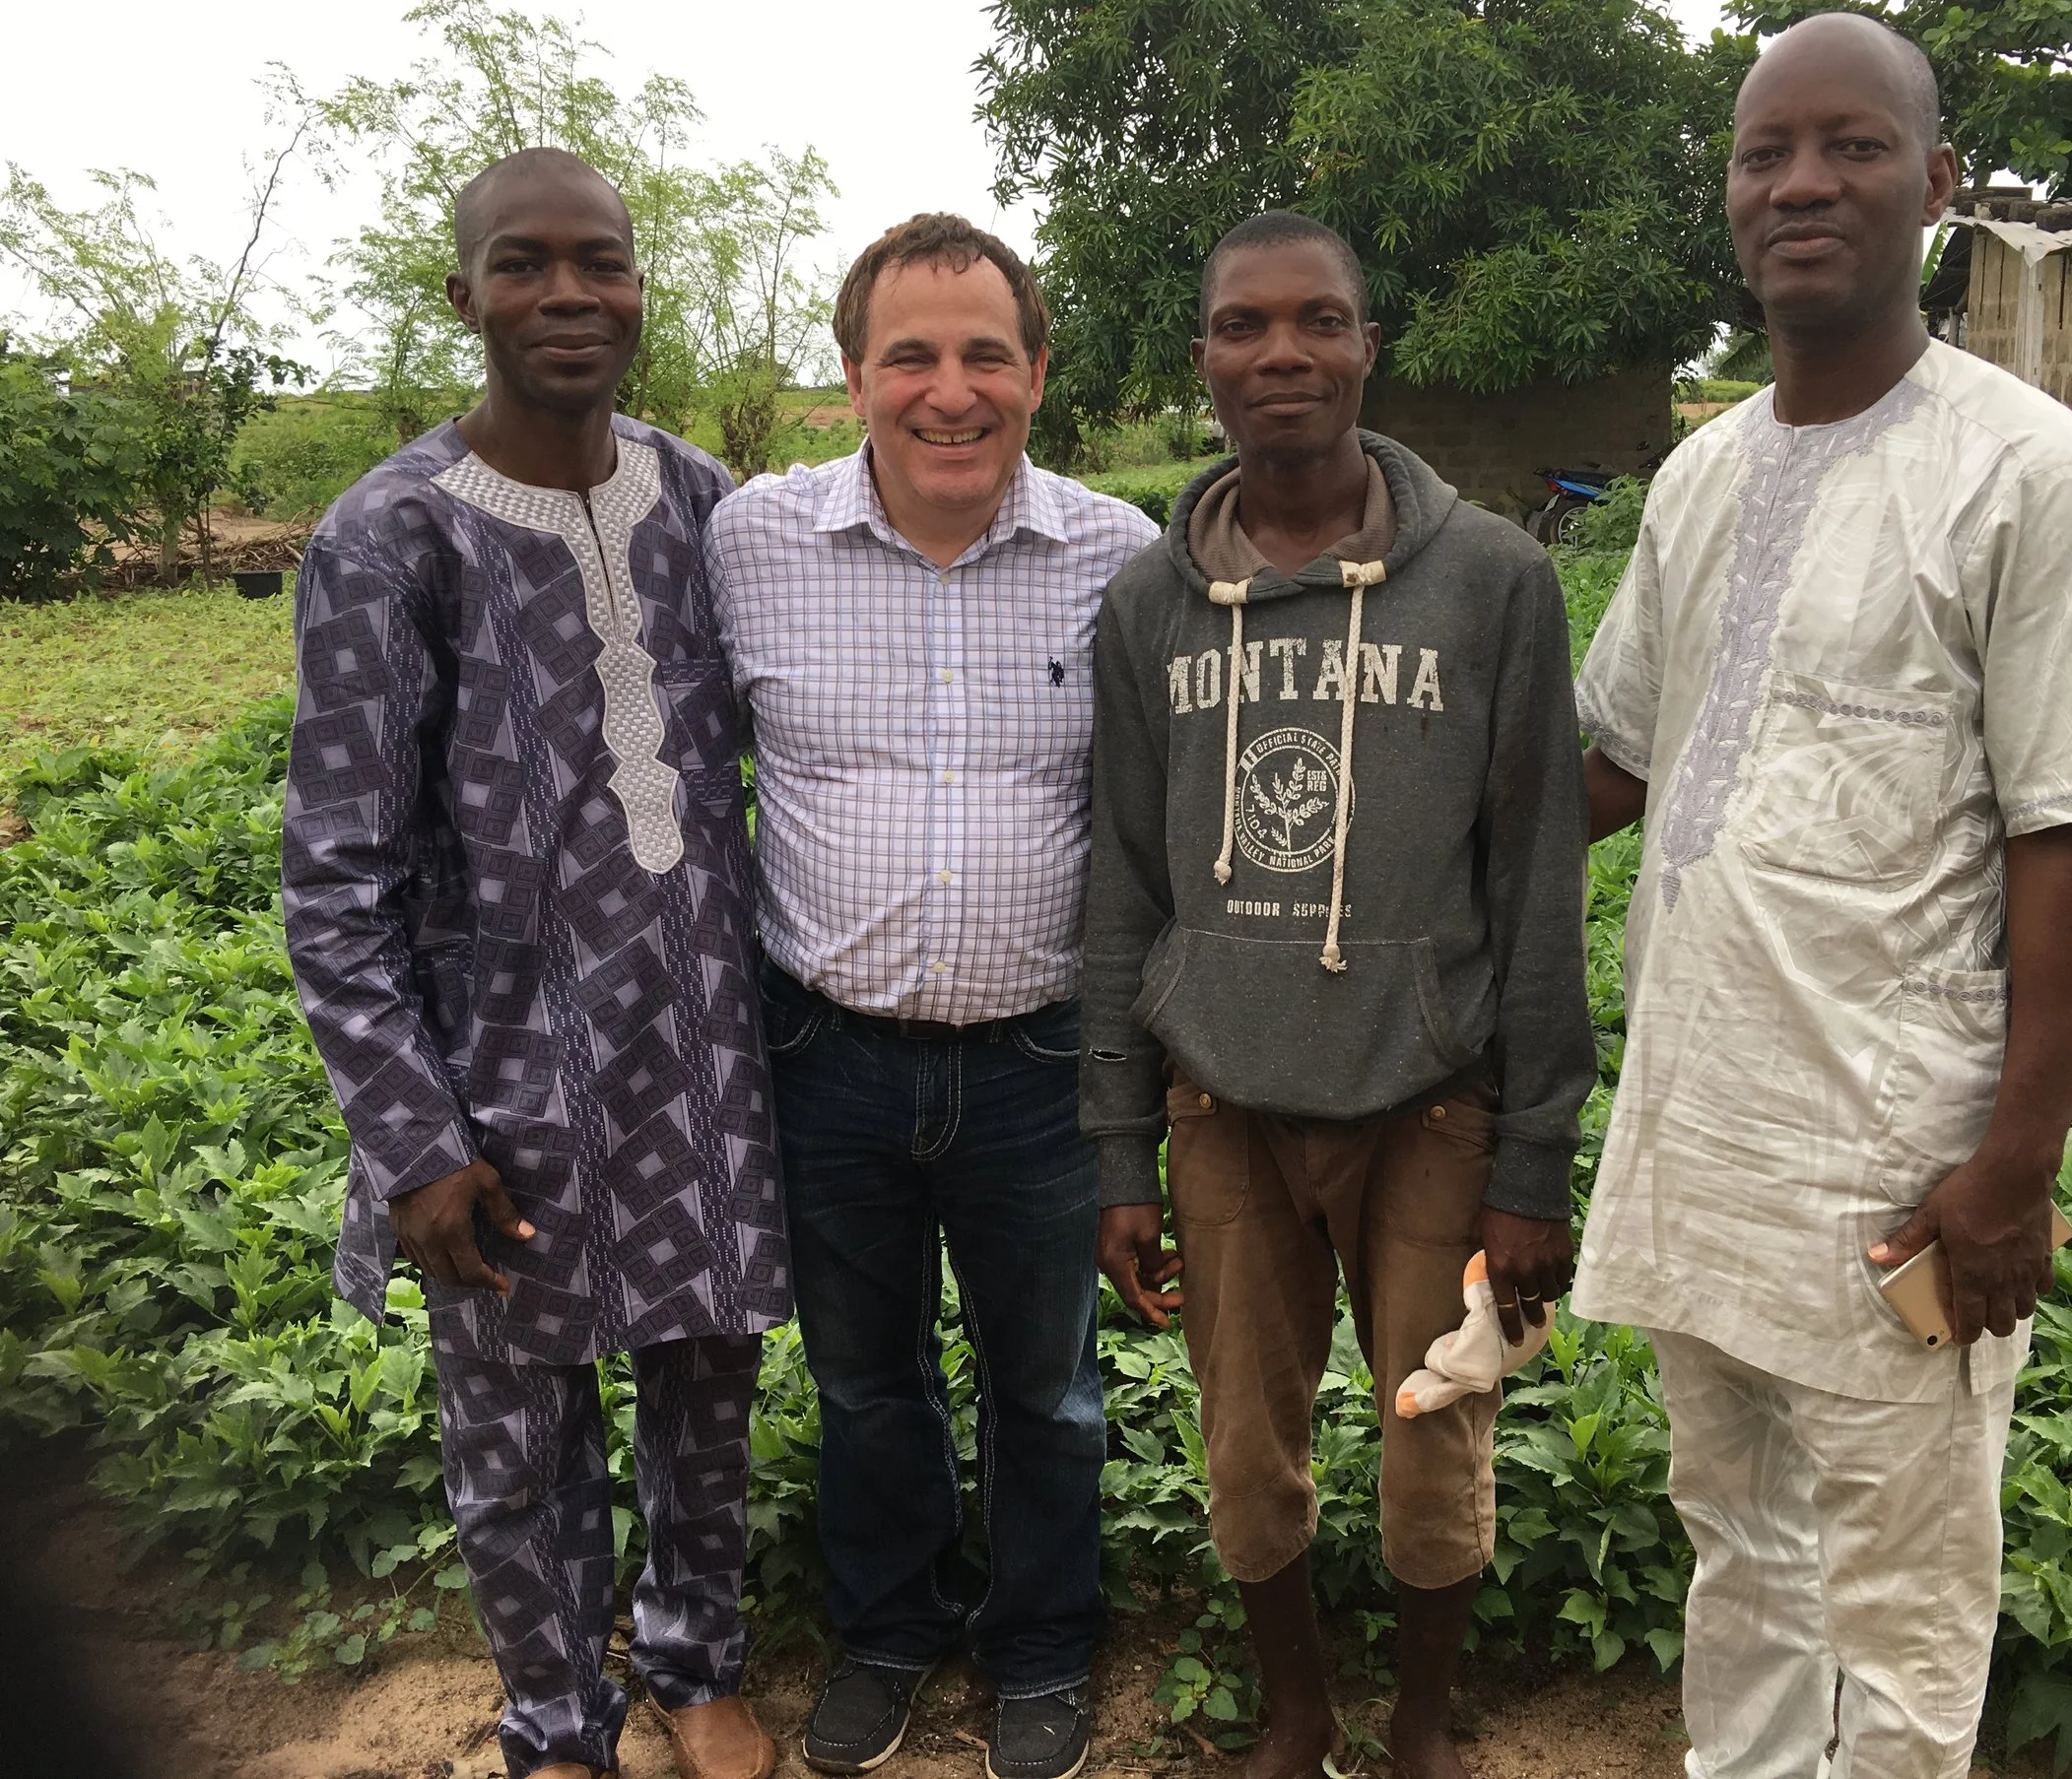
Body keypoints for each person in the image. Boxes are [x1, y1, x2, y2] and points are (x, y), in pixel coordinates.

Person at [1572, 15, 2072, 1778]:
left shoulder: (2025, 472)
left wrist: (2013, 1165)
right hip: (1703, 1134)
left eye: (1853, 146)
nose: (1803, 182)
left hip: (1896, 1163)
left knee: (1900, 1606)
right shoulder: (1700, 474)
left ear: (1938, 186)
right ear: (1731, 199)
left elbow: (2065, 833)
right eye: (1765, 153)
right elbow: (1619, 764)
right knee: (1738, 1547)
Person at [282, 149, 786, 1779]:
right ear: (465, 295)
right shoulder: (389, 537)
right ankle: (555, 1718)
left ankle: (694, 1658)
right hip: (495, 1070)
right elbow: (335, 876)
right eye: (525, 264)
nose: (569, 294)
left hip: (699, 1043)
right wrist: (413, 1140)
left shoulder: (701, 499)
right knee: (518, 1429)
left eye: (602, 262)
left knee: (707, 1382)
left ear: (641, 284)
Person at [1084, 212, 1594, 1779]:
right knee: (1246, 1450)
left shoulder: (1494, 581)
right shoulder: (1148, 605)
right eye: (1244, 326)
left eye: (1318, 322)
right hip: (1222, 1102)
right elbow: (1120, 886)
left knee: (1435, 1438)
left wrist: (1531, 1159)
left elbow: (1535, 884)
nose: (1281, 353)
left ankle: (1425, 1728)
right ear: (1205, 359)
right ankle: (1297, 1714)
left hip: (1431, 1099)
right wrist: (1117, 1149)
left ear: (1371, 346)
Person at [702, 214, 1156, 1779]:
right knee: (863, 1378)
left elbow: (1148, 837)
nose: (947, 391)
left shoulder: (1119, 557)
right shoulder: (753, 545)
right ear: (852, 378)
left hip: (1040, 1058)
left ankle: (1040, 1646)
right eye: (911, 355)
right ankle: (890, 1628)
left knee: (1048, 1385)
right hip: (823, 1051)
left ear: (1037, 372)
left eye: (983, 355)